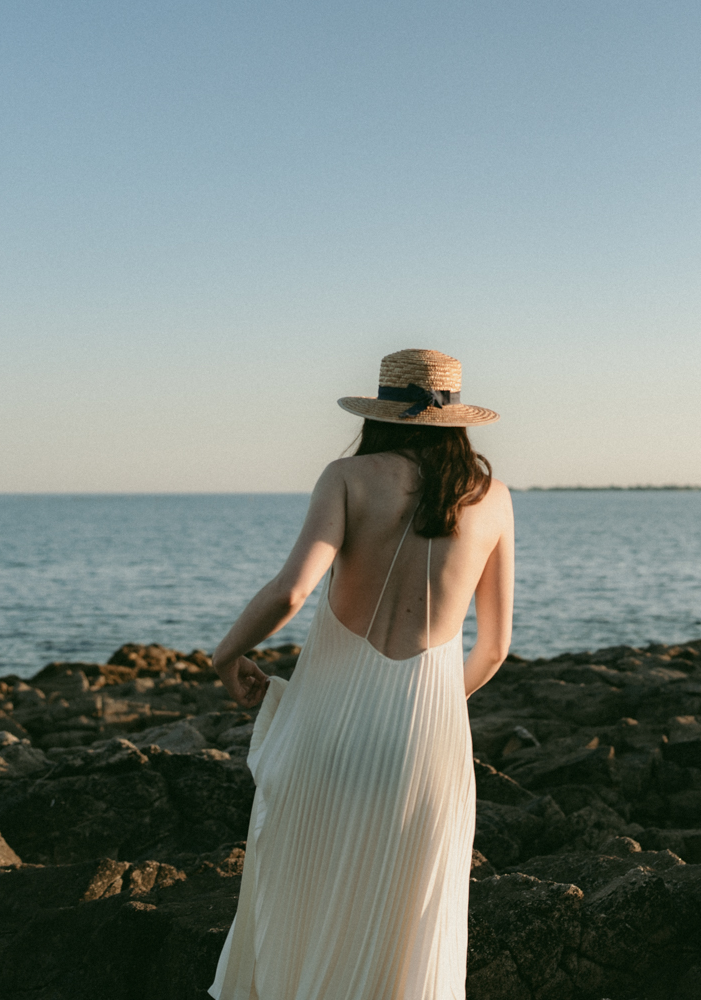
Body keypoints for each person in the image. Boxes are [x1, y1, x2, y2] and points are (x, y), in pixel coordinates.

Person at [208, 348, 514, 998]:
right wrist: (421, 704)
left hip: (330, 728)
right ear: (455, 417)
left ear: (380, 412)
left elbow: (291, 593)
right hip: (428, 742)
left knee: (310, 905)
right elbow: (493, 650)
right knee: (408, 930)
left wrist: (225, 656)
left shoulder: (347, 476)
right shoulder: (494, 498)